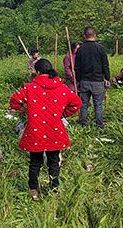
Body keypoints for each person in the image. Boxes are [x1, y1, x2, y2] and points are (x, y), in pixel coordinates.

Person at [9, 58, 82, 199]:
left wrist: (26, 109)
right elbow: (76, 103)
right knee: (54, 161)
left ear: (37, 72)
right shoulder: (62, 88)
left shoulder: (30, 88)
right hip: (55, 129)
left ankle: (33, 190)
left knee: (35, 161)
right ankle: (54, 188)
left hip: (36, 130)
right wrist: (61, 114)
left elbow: (14, 101)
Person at [74, 27, 110, 128]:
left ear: (84, 36)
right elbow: (105, 65)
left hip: (84, 80)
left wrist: (79, 79)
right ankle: (99, 125)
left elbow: (77, 67)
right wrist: (107, 78)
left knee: (84, 104)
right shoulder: (100, 48)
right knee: (98, 104)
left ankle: (84, 124)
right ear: (95, 35)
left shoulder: (80, 49)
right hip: (98, 81)